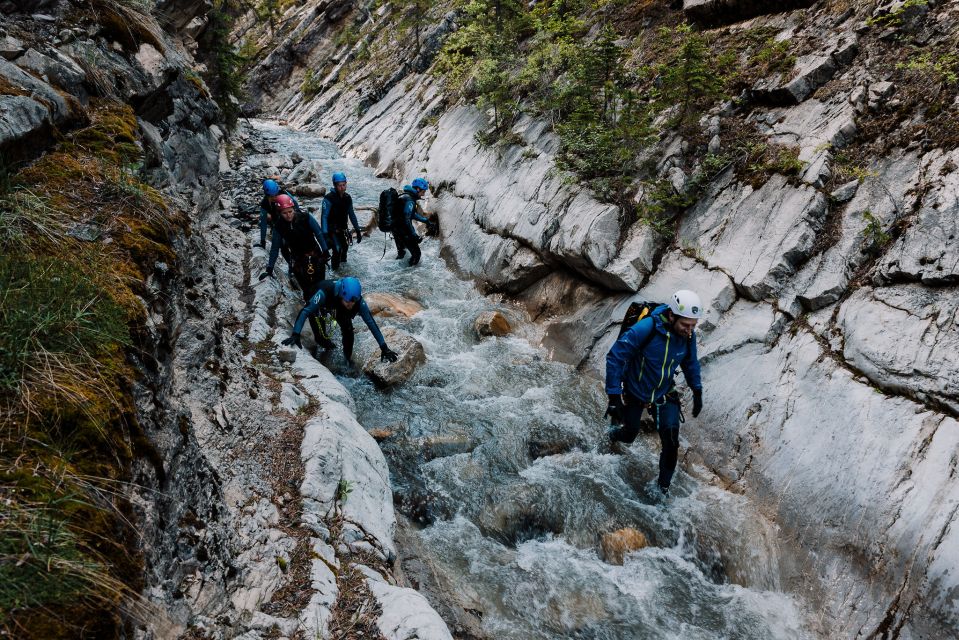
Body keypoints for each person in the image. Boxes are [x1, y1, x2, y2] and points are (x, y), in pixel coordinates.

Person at [605, 290, 705, 496]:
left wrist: (697, 390)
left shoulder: (687, 336)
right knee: (629, 435)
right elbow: (615, 357)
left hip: (663, 392)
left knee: (671, 442)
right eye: (685, 325)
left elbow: (690, 362)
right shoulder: (646, 329)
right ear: (671, 316)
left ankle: (662, 490)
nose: (689, 331)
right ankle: (610, 435)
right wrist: (614, 397)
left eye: (693, 326)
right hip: (635, 390)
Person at [259, 194, 331, 345]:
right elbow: (275, 249)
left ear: (294, 209)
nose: (288, 215)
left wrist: (325, 251)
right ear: (279, 213)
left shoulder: (305, 217)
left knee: (321, 293)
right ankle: (319, 336)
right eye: (285, 213)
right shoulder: (279, 226)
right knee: (310, 297)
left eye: (290, 212)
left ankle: (324, 325)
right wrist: (269, 269)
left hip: (316, 259)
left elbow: (318, 233)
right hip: (299, 264)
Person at [281, 277, 399, 365]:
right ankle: (323, 350)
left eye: (353, 303)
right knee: (321, 339)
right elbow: (305, 311)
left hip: (338, 308)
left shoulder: (358, 302)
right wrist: (295, 334)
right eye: (348, 302)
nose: (351, 305)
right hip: (322, 305)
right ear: (341, 295)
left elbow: (371, 323)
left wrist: (384, 348)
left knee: (348, 332)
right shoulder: (324, 292)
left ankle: (347, 360)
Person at [321, 172, 362, 270]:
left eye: (344, 185)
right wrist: (325, 235)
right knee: (337, 249)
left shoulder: (347, 198)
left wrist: (357, 230)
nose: (342, 188)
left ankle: (344, 271)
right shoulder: (328, 198)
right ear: (335, 186)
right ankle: (335, 272)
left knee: (345, 248)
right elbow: (324, 217)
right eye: (340, 185)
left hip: (342, 229)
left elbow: (351, 214)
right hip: (331, 230)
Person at [392, 177, 433, 266]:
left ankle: (397, 272)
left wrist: (425, 220)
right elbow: (407, 219)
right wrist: (414, 235)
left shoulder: (405, 196)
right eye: (423, 191)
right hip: (404, 231)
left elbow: (411, 214)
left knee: (401, 254)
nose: (423, 194)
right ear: (418, 189)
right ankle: (407, 275)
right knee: (417, 255)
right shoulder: (410, 200)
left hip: (395, 230)